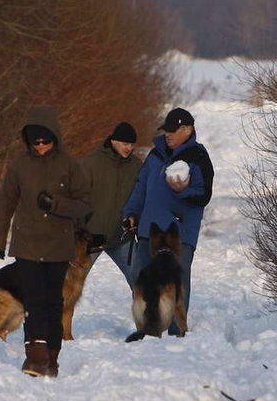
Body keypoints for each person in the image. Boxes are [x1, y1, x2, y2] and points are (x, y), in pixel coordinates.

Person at [0, 106, 91, 377]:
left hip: (58, 245)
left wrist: (57, 204)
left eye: (46, 140)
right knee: (33, 302)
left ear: (55, 138)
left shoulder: (69, 165)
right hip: (27, 244)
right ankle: (34, 359)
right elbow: (5, 202)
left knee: (53, 303)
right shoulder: (19, 166)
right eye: (36, 141)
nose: (41, 145)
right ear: (28, 141)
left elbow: (84, 205)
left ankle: (52, 359)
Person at [121, 107, 214, 336]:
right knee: (141, 278)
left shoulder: (198, 157)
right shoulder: (155, 155)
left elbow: (203, 195)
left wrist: (182, 191)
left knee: (176, 282)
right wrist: (131, 212)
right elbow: (141, 186)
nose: (168, 135)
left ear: (188, 129)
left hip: (178, 233)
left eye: (173, 131)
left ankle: (176, 331)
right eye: (166, 131)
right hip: (148, 231)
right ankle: (147, 327)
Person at [80, 122, 142, 286]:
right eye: (125, 143)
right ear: (113, 141)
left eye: (131, 144)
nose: (128, 148)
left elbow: (141, 198)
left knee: (142, 281)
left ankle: (147, 313)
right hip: (90, 238)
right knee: (69, 286)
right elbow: (76, 198)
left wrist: (136, 220)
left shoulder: (136, 166)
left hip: (121, 237)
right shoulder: (91, 163)